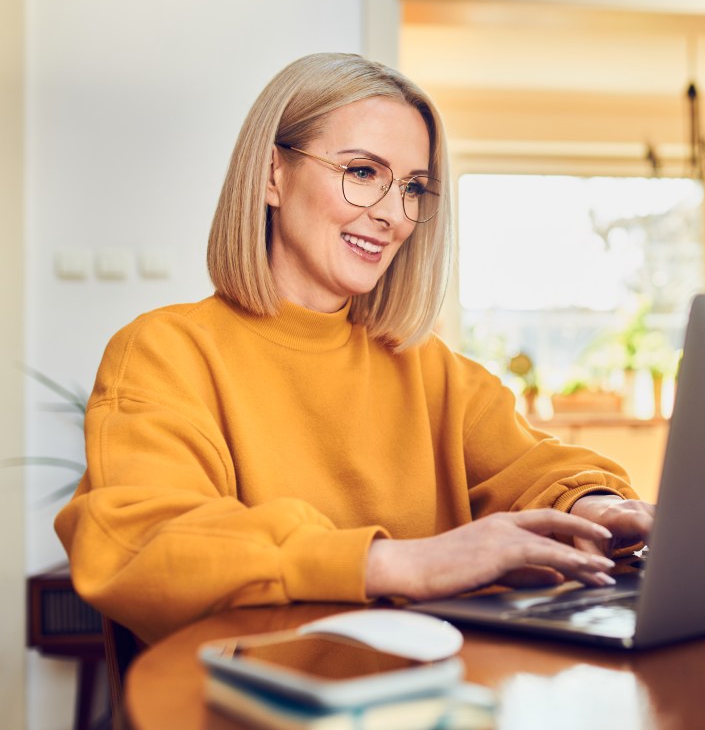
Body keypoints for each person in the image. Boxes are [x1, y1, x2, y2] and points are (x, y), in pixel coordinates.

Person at [55, 52, 655, 644]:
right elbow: (145, 542)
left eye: (412, 187)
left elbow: (538, 466)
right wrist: (401, 565)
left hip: (436, 708)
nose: (393, 215)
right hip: (250, 717)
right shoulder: (165, 353)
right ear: (272, 175)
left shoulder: (424, 365)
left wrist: (595, 506)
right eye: (363, 172)